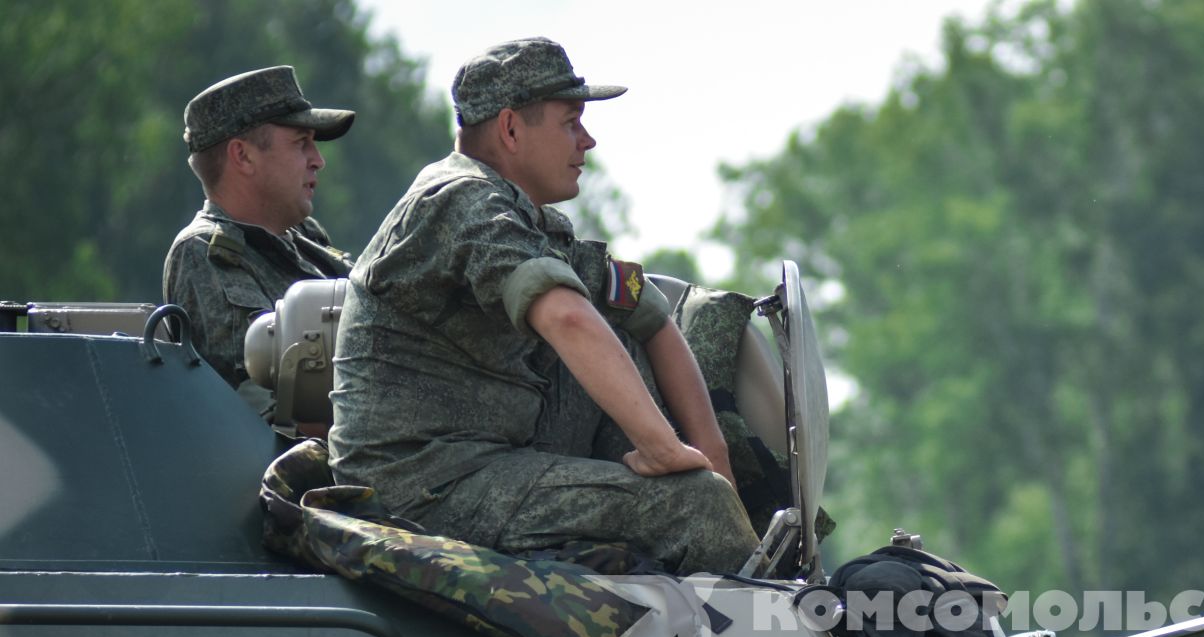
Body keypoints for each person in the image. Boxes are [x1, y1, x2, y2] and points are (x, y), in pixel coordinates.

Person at [327, 37, 759, 575]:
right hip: (421, 486)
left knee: (623, 344)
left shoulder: (532, 220)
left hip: (489, 456)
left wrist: (712, 457)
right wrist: (669, 455)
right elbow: (567, 317)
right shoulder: (459, 201)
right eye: (570, 122)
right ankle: (773, 631)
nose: (589, 140)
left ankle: (717, 547)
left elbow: (648, 316)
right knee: (696, 504)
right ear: (510, 129)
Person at [163, 66, 356, 423]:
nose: (318, 160)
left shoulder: (306, 238)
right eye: (301, 143)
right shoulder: (207, 252)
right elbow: (269, 408)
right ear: (243, 156)